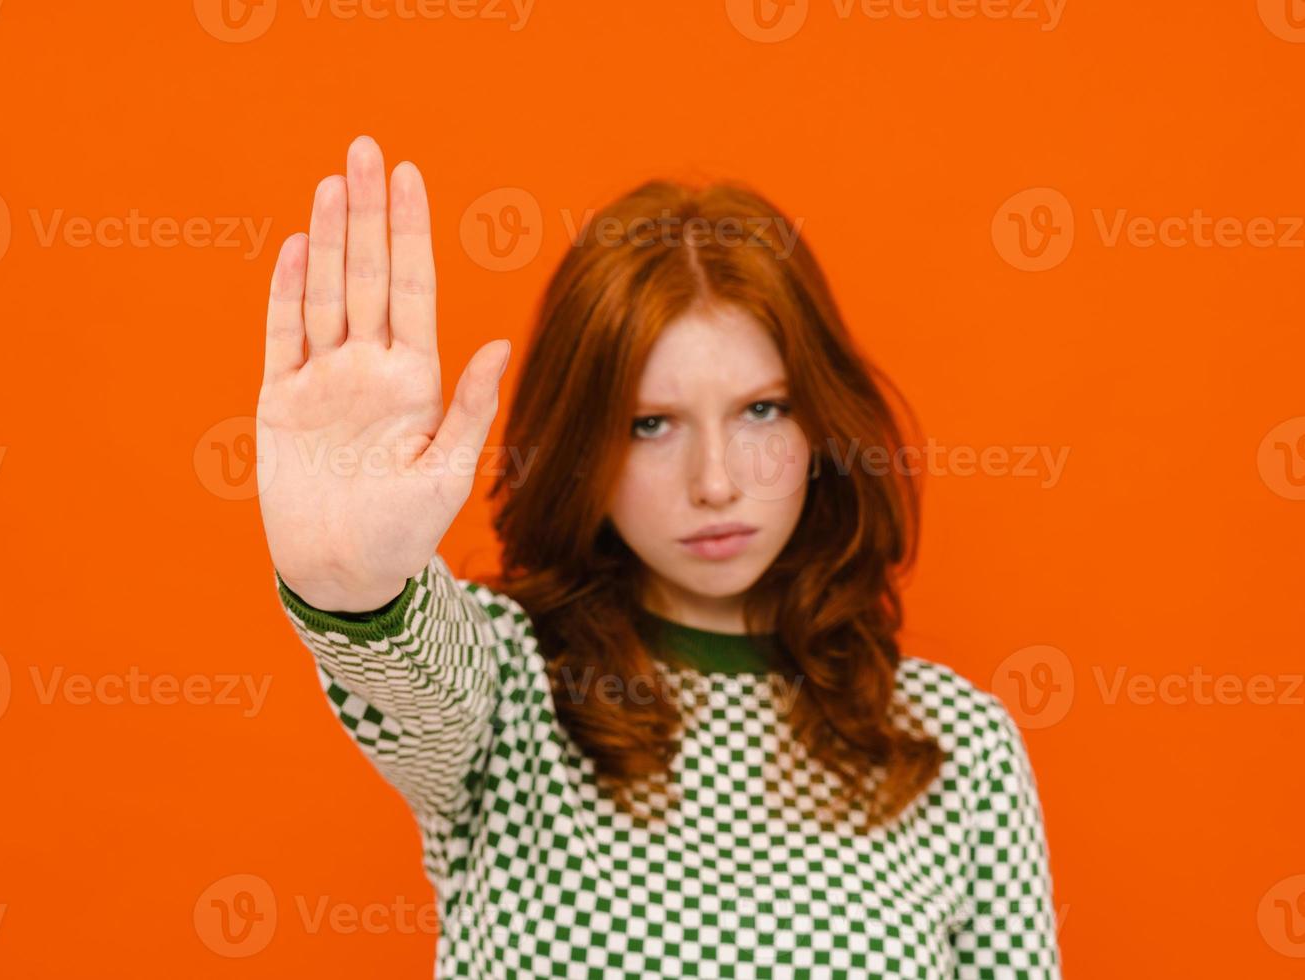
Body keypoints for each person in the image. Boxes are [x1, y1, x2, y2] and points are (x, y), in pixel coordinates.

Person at [256, 134, 1062, 978]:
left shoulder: (956, 747)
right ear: (580, 445)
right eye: (651, 424)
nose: (715, 482)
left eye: (761, 411)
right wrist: (356, 584)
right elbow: (414, 669)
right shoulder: (509, 692)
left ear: (822, 420)